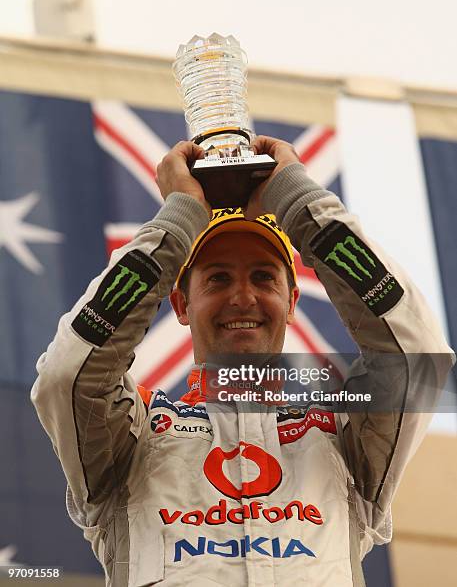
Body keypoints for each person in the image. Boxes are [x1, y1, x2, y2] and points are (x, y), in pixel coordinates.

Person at [31, 136, 454, 587]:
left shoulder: (340, 438)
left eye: (262, 277)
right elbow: (68, 378)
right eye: (217, 278)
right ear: (179, 304)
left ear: (291, 302)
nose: (243, 297)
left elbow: (416, 359)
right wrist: (177, 223)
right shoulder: (136, 436)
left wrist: (299, 200)